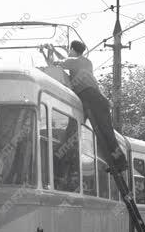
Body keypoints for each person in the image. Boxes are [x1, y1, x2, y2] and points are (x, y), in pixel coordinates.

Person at [51, 40, 128, 172]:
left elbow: (58, 62)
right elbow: (66, 60)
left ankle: (120, 162)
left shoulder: (75, 61)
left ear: (73, 50)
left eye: (69, 50)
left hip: (91, 98)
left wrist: (51, 51)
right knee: (87, 132)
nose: (69, 52)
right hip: (92, 99)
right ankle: (116, 163)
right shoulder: (85, 62)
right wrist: (56, 51)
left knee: (103, 133)